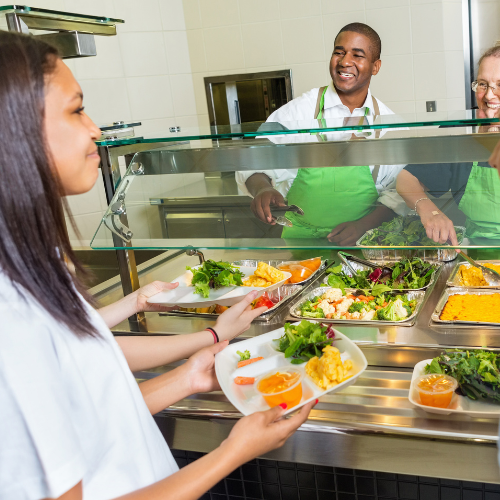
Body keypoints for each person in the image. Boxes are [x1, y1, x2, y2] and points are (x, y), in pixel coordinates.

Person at [0, 31, 315, 500]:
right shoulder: (12, 316)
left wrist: (189, 373)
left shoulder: (31, 265)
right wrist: (231, 453)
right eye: (75, 109)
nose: (95, 130)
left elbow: (92, 417)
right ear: (16, 132)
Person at [236, 22, 406, 244]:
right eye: (339, 52)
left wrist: (363, 225)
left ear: (375, 66)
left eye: (358, 55)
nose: (345, 62)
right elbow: (254, 159)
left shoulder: (389, 124)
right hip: (301, 244)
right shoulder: (298, 112)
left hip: (366, 243)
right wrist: (263, 188)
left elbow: (399, 194)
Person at [396, 45, 500, 246]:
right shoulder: (459, 130)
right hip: (477, 252)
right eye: (482, 84)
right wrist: (430, 211)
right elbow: (406, 178)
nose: (488, 96)